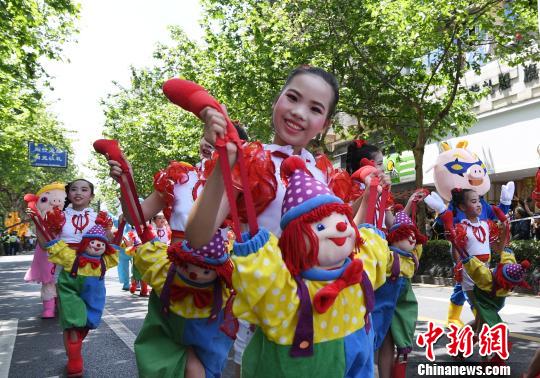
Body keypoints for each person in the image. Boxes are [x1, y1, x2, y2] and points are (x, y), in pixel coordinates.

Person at [181, 66, 345, 374]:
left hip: (321, 318)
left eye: (314, 108)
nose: (298, 112)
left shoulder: (324, 173)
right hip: (265, 318)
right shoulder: (250, 161)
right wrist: (225, 164)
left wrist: (373, 194)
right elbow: (197, 237)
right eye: (292, 98)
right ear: (277, 100)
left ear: (325, 123)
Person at [187, 153, 388, 377]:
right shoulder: (284, 290)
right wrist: (255, 250)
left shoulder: (322, 170)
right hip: (274, 317)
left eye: (316, 113)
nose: (341, 228)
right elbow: (266, 282)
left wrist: (370, 200)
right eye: (319, 228)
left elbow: (360, 242)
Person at [44, 218, 120, 377]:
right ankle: (75, 362)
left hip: (94, 296)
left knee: (88, 322)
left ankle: (74, 349)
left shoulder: (105, 260)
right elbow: (56, 248)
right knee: (73, 323)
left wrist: (121, 225)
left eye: (101, 244)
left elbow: (116, 247)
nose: (97, 245)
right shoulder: (72, 256)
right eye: (93, 242)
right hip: (71, 291)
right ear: (85, 244)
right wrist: (41, 222)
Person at [372, 211, 428, 378]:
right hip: (384, 307)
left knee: (401, 346)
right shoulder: (388, 256)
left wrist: (410, 206)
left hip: (402, 309)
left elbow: (418, 242)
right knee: (385, 343)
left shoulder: (413, 259)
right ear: (395, 236)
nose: (412, 238)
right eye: (406, 235)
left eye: (413, 235)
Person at [345, 140, 426, 229]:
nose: (383, 168)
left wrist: (411, 202)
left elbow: (392, 224)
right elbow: (345, 218)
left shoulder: (381, 191)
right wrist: (369, 193)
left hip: (379, 241)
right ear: (365, 165)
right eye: (379, 163)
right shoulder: (348, 188)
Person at [24, 182, 66, 318]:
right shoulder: (40, 220)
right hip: (46, 254)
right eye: (45, 199)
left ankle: (61, 304)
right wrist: (38, 221)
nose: (55, 201)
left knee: (63, 282)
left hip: (65, 253)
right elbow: (42, 243)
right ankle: (48, 308)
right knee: (48, 281)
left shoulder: (70, 219)